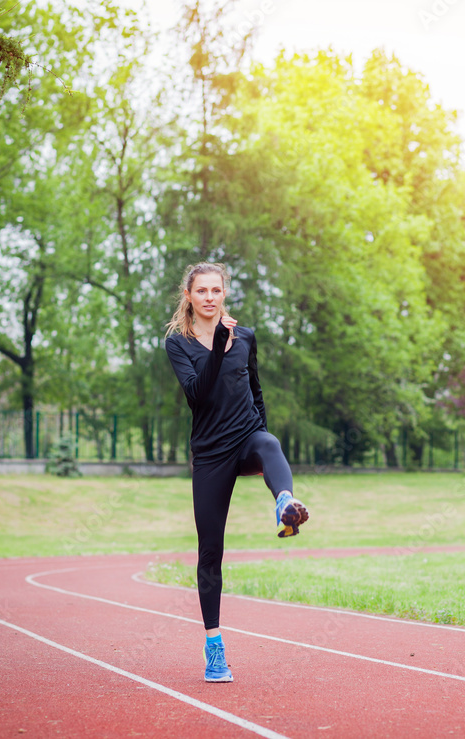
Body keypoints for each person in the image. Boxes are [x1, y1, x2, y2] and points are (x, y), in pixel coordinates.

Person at [165, 262, 309, 683]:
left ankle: (285, 502)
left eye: (216, 290)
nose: (210, 297)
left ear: (224, 293)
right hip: (210, 454)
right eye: (202, 291)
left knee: (270, 442)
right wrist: (217, 348)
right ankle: (214, 647)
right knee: (211, 551)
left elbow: (256, 390)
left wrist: (257, 435)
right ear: (189, 296)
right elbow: (197, 394)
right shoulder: (179, 343)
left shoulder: (244, 337)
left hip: (245, 438)